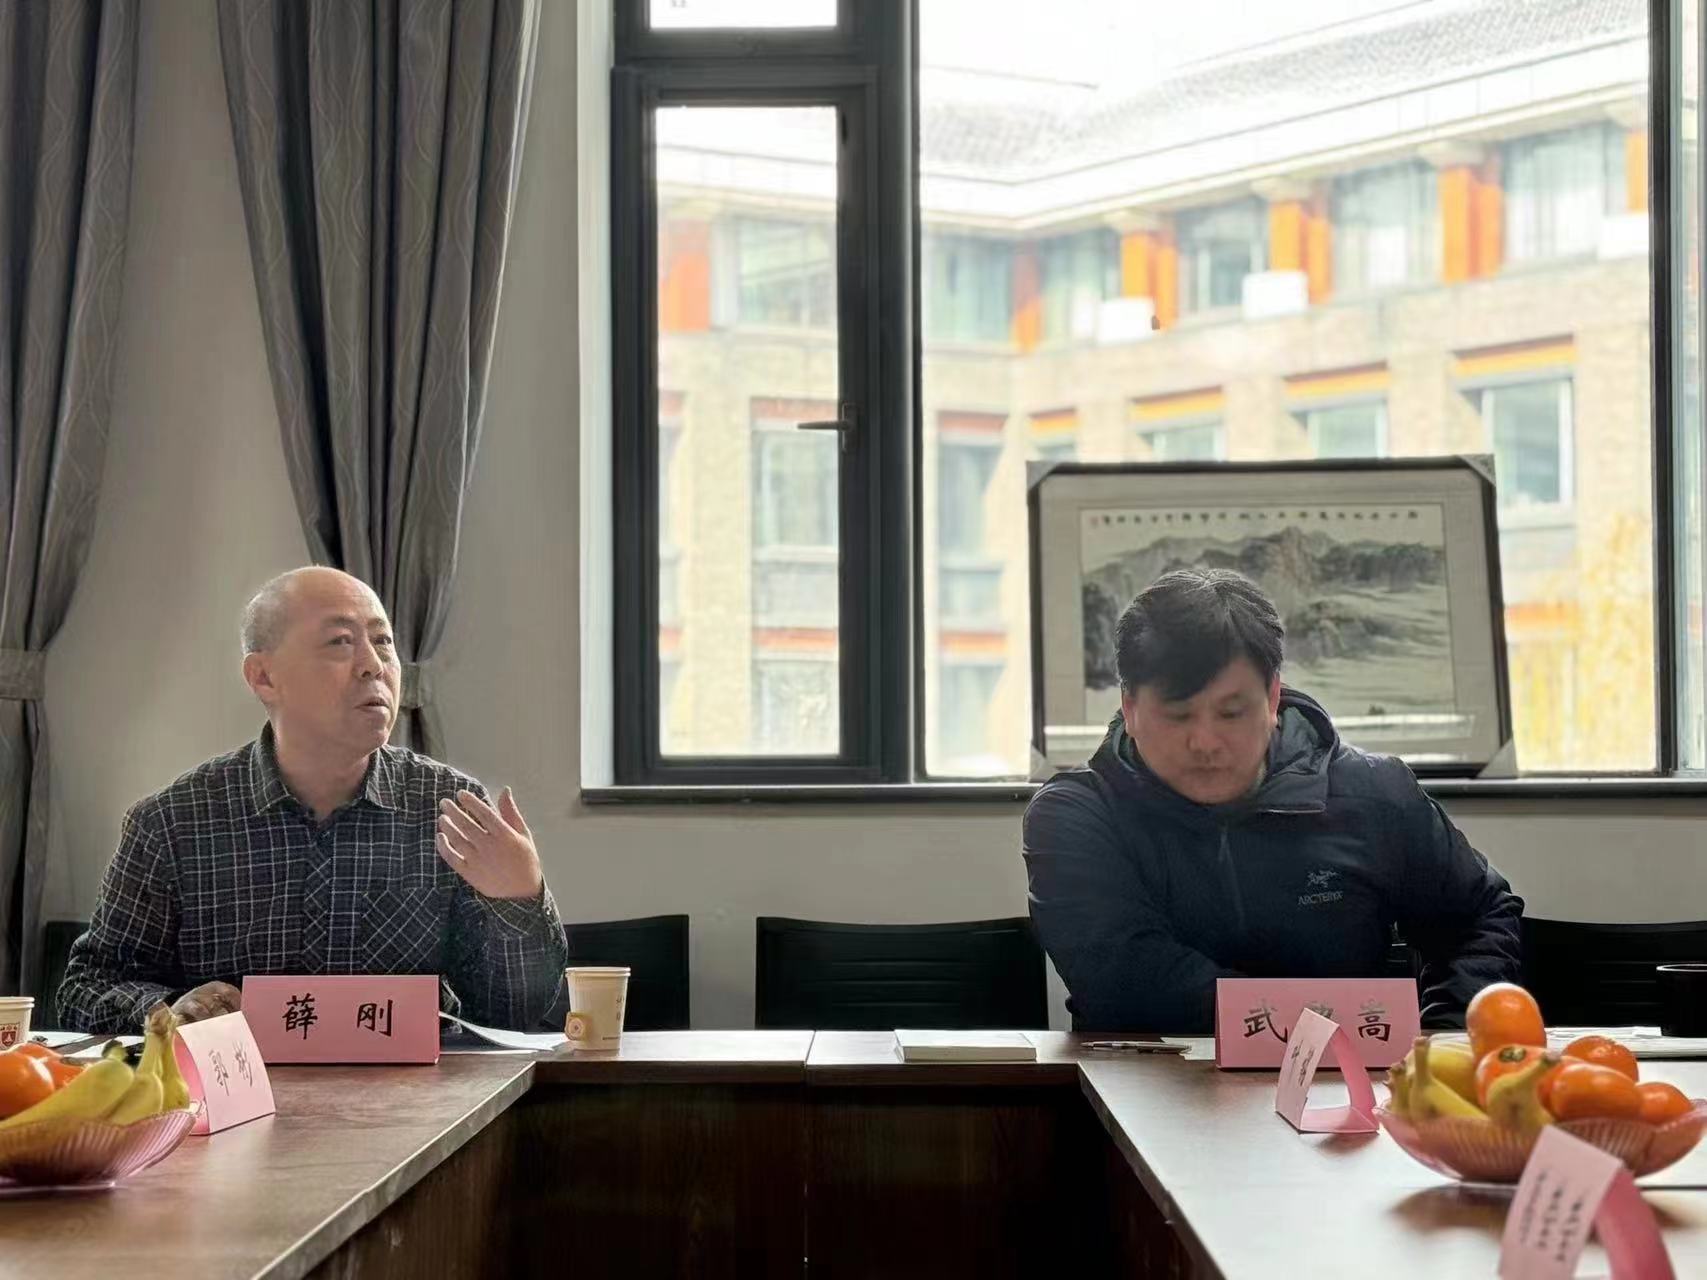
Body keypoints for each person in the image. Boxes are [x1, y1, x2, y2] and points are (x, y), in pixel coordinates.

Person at [58, 567, 568, 1033]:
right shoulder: (172, 823)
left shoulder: (447, 810)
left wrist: (520, 898)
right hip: (233, 1095)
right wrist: (171, 1009)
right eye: (340, 642)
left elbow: (515, 1013)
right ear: (263, 676)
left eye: (383, 642)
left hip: (414, 1096)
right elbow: (88, 989)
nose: (374, 666)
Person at [1023, 567, 1522, 1033]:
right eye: (1179, 715)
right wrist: (1328, 1027)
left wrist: (1443, 1038)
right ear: (1129, 708)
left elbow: (1480, 917)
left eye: (1231, 713)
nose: (1205, 742)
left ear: (1273, 699)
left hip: (1349, 1088)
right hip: (1143, 1088)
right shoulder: (1077, 817)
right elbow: (1127, 980)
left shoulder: (1373, 793)